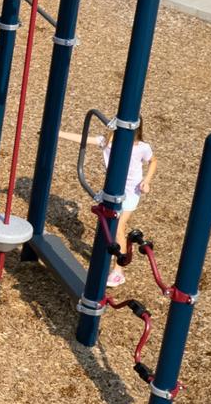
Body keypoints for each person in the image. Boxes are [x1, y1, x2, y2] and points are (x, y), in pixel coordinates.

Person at [63, 122, 159, 287]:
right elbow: (84, 139)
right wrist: (58, 133)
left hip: (131, 192)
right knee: (111, 225)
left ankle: (118, 271)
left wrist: (147, 181)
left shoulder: (141, 147)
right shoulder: (108, 141)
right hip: (113, 190)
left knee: (118, 227)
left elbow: (154, 161)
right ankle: (111, 259)